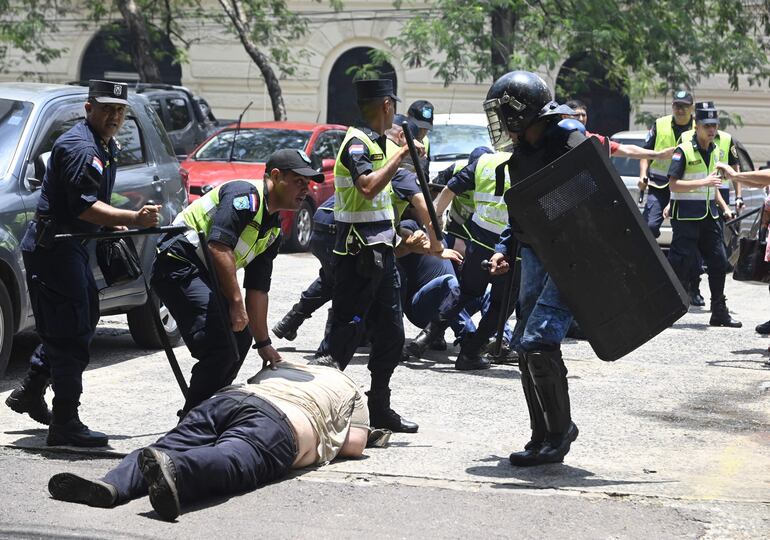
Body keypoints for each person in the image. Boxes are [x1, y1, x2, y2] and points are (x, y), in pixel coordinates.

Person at [4, 80, 161, 447]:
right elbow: (82, 206)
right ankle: (65, 423)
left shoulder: (103, 144)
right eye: (107, 109)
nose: (114, 116)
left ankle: (31, 390)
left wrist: (112, 221)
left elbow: (88, 200)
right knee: (70, 333)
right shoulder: (80, 146)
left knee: (83, 319)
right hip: (55, 250)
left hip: (70, 247)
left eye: (119, 111)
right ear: (89, 108)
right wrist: (133, 218)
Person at [47, 361, 370, 522]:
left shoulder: (281, 367)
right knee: (233, 458)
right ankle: (178, 471)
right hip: (280, 421)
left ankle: (112, 486)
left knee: (166, 444)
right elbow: (354, 444)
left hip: (228, 399)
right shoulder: (350, 387)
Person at [153, 149, 323, 416]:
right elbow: (219, 246)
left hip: (205, 273)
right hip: (177, 263)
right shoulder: (244, 196)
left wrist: (263, 343)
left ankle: (209, 413)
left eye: (308, 183)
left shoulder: (273, 229)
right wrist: (235, 304)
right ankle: (193, 420)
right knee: (219, 344)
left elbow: (257, 289)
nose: (305, 189)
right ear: (275, 176)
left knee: (240, 340)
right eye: (298, 181)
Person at [484, 71, 585, 466]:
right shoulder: (521, 157)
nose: (500, 123)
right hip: (536, 255)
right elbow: (521, 214)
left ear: (520, 112)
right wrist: (504, 248)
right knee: (526, 349)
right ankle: (540, 435)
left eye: (503, 114)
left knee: (540, 343)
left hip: (572, 256)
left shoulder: (570, 138)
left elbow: (591, 195)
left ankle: (559, 434)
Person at [313, 79, 422, 433]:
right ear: (387, 105)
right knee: (345, 335)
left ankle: (379, 407)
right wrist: (401, 156)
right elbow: (368, 187)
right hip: (356, 252)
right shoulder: (356, 143)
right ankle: (319, 409)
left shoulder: (378, 143)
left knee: (391, 334)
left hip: (382, 251)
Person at [406, 137, 516, 370]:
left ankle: (426, 336)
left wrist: (434, 223)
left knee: (465, 291)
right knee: (501, 304)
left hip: (479, 240)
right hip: (511, 247)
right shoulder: (528, 163)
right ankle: (470, 352)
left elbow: (449, 189)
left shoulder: (485, 162)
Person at [666, 103, 741, 327]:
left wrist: (724, 207)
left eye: (714, 125)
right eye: (707, 125)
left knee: (719, 261)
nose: (711, 129)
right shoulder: (683, 150)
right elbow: (673, 185)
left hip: (709, 216)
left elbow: (713, 186)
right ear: (696, 126)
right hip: (686, 217)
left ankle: (718, 310)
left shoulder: (716, 150)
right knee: (680, 263)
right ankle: (668, 308)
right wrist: (704, 182)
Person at [639, 90, 696, 238]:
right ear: (672, 106)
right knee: (649, 227)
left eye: (684, 106)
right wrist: (642, 175)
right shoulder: (660, 124)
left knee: (684, 233)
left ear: (692, 108)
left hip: (686, 188)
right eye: (677, 106)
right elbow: (645, 153)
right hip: (659, 185)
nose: (680, 110)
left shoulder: (699, 128)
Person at [564, 99, 675, 160]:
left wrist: (658, 154)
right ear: (565, 116)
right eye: (577, 115)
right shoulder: (556, 135)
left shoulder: (592, 140)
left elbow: (628, 150)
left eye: (584, 115)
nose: (581, 119)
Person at [432, 146, 494, 253]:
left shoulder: (497, 176)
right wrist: (435, 217)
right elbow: (434, 188)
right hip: (457, 227)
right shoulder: (456, 169)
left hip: (482, 229)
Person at [407, 99, 434, 175]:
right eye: (418, 127)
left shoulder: (426, 141)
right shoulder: (398, 139)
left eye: (425, 128)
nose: (421, 132)